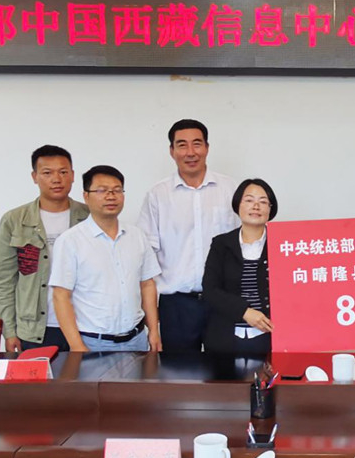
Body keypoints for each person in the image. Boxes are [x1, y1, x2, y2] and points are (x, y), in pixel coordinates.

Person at [138, 119, 240, 351]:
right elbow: (146, 257)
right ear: (172, 151)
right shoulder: (158, 195)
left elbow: (245, 243)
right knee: (178, 370)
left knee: (226, 369)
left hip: (224, 302)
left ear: (207, 147)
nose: (191, 152)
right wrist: (151, 321)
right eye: (182, 145)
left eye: (197, 144)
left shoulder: (230, 189)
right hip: (177, 305)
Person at [50, 166, 162, 352]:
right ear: (86, 196)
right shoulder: (70, 241)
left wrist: (154, 331)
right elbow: (60, 296)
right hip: (92, 343)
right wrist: (77, 346)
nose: (111, 196)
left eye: (117, 190)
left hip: (137, 340)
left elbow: (147, 285)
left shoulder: (137, 236)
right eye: (102, 190)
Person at [0, 145, 90, 352]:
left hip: (85, 324)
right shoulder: (14, 220)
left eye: (63, 172)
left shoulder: (89, 217)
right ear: (34, 176)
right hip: (35, 329)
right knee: (37, 375)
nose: (56, 179)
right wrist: (9, 331)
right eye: (47, 173)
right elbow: (5, 280)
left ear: (73, 175)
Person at [202, 178, 277, 356]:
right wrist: (244, 311)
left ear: (270, 209)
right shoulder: (221, 244)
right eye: (249, 200)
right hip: (226, 337)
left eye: (263, 202)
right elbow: (210, 290)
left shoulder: (282, 244)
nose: (256, 206)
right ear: (238, 205)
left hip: (272, 337)